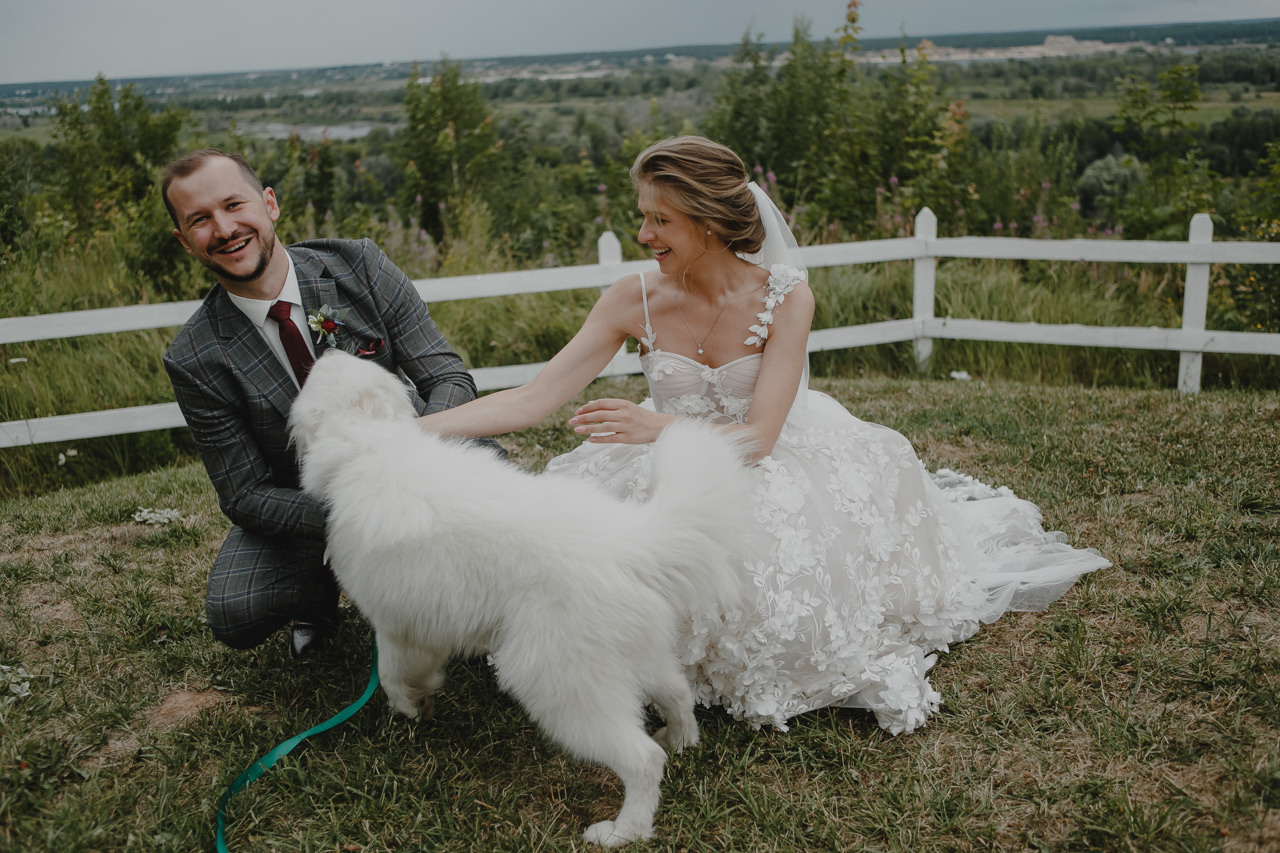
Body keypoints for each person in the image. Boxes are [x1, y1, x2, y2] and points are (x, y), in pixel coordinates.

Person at [418, 135, 1109, 734]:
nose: (646, 235)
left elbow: (762, 437)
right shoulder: (631, 298)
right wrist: (414, 429)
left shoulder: (785, 296)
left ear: (711, 221)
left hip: (758, 462)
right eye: (643, 218)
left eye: (662, 220)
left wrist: (657, 425)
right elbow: (536, 397)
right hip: (657, 468)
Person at [161, 148, 497, 658]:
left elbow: (446, 375)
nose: (224, 228)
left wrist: (411, 466)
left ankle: (470, 600)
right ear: (184, 242)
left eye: (234, 205)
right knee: (238, 610)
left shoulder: (357, 264)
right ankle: (318, 597)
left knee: (487, 466)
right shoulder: (195, 357)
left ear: (269, 203)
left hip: (416, 464)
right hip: (307, 506)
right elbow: (244, 494)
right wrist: (359, 511)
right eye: (200, 220)